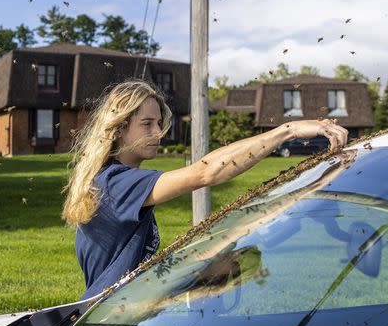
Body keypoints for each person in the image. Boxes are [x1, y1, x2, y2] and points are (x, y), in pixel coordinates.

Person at [61, 78, 348, 300]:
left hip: (116, 319)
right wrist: (289, 131)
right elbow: (206, 172)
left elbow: (139, 274)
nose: (157, 132)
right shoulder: (117, 184)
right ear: (119, 129)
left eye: (159, 123)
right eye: (146, 124)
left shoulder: (115, 181)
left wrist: (202, 275)